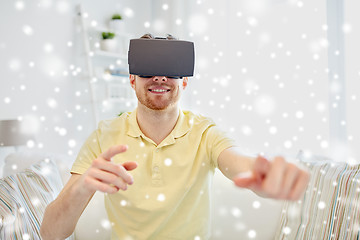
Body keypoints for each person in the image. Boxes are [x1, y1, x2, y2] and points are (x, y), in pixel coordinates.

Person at [40, 33, 310, 240]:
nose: (159, 77)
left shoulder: (205, 132)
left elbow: (238, 161)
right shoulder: (104, 136)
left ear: (184, 80)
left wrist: (264, 175)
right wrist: (83, 185)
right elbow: (51, 233)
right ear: (132, 79)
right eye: (148, 69)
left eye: (170, 69)